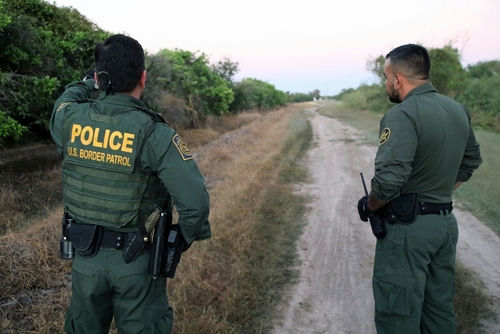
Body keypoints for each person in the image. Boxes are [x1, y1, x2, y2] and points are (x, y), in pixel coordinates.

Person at [50, 34, 211, 333]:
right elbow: (196, 203)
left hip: (84, 259)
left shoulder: (70, 119)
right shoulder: (155, 134)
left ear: (99, 77)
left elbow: (64, 101)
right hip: (137, 261)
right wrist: (180, 240)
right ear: (143, 78)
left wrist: (88, 82)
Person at [357, 44, 482, 333]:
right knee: (439, 311)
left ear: (398, 79)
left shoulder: (403, 114)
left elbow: (388, 182)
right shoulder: (456, 110)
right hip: (444, 225)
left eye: (387, 77)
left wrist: (369, 205)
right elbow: (471, 160)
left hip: (408, 231)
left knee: (398, 313)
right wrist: (439, 191)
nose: (387, 83)